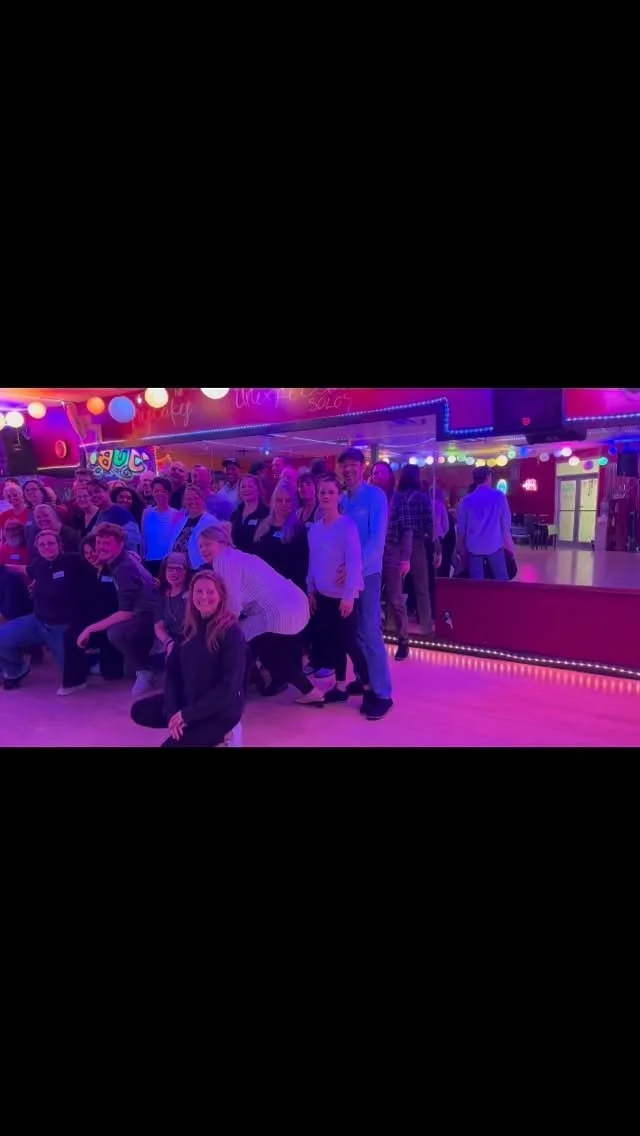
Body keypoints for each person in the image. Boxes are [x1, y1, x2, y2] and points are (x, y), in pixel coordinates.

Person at [196, 523, 324, 704]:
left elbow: (233, 604)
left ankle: (231, 691)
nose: (203, 549)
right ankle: (307, 690)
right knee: (267, 651)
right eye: (200, 546)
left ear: (222, 542)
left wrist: (219, 628)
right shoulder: (236, 555)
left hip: (278, 611)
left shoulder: (224, 560)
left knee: (245, 643)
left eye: (207, 544)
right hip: (292, 602)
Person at [130, 570, 249, 748]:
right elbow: (173, 672)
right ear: (191, 595)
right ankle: (193, 728)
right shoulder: (188, 628)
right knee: (139, 711)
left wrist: (187, 715)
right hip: (190, 699)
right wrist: (172, 712)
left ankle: (224, 732)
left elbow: (228, 687)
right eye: (199, 591)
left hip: (219, 710)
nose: (204, 597)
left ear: (221, 596)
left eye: (210, 591)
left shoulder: (232, 632)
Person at [0, 529, 97, 691]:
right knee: (1, 638)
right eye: (42, 545)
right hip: (37, 621)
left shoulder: (74, 560)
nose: (47, 547)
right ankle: (15, 671)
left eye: (51, 543)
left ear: (60, 545)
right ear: (37, 548)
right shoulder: (39, 564)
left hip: (63, 626)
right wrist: (3, 566)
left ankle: (91, 659)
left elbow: (95, 567)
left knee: (72, 677)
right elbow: (26, 570)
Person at [338, 448, 393, 720]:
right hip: (345, 577)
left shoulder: (375, 496)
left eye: (353, 465)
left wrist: (354, 568)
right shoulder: (341, 500)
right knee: (355, 632)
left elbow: (376, 541)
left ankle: (383, 693)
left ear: (363, 467)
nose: (348, 470)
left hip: (367, 574)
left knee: (370, 631)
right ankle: (365, 679)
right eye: (344, 466)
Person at [76, 523, 157, 696]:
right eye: (99, 542)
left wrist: (89, 629)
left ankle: (144, 670)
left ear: (120, 543)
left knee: (115, 632)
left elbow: (126, 612)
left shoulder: (123, 568)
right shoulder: (120, 559)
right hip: (142, 611)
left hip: (147, 615)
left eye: (107, 543)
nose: (101, 547)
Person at [307, 474, 366, 704]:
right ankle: (340, 685)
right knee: (336, 642)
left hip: (344, 596)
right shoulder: (314, 529)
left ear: (338, 496)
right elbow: (313, 562)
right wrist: (311, 589)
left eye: (331, 492)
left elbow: (354, 561)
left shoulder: (346, 526)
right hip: (324, 595)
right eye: (322, 492)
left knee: (349, 642)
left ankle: (369, 684)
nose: (326, 496)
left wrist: (349, 595)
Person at [383, 464, 434, 659]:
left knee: (394, 590)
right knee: (422, 587)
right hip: (417, 543)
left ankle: (391, 625)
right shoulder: (422, 497)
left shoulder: (396, 497)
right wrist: (432, 541)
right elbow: (429, 522)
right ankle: (426, 626)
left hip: (395, 545)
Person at [456, 466, 516, 580]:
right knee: (501, 579)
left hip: (473, 545)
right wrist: (509, 544)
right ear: (488, 477)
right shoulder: (499, 497)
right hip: (494, 543)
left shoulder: (467, 500)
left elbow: (462, 526)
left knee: (476, 582)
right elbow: (505, 523)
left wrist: (460, 546)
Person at [253, 481, 309, 593]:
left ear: (293, 503)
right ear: (273, 501)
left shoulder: (298, 530)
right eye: (279, 500)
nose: (284, 504)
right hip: (263, 587)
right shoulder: (263, 526)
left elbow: (301, 567)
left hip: (287, 589)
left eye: (288, 501)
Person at [170, 485, 219, 569]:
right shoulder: (181, 522)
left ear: (202, 499)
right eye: (189, 499)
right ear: (184, 502)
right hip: (180, 569)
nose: (193, 501)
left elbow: (215, 548)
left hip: (199, 569)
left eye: (196, 498)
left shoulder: (211, 521)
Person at [141, 476, 181, 576]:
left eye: (164, 491)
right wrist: (142, 558)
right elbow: (143, 537)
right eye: (156, 491)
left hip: (168, 562)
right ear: (152, 492)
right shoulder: (146, 512)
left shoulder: (177, 514)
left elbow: (177, 540)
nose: (160, 494)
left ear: (169, 493)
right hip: (149, 560)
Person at [88, 479, 142, 553]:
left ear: (107, 491)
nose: (94, 495)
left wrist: (114, 530)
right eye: (90, 494)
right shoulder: (100, 512)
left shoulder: (121, 512)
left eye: (97, 491)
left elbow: (135, 539)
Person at [154, 552, 191, 654]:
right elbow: (158, 626)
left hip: (189, 643)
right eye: (170, 569)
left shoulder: (193, 595)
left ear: (186, 572)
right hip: (168, 642)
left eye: (179, 569)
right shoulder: (161, 594)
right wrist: (168, 642)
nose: (174, 573)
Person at [230, 475, 269, 552]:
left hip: (258, 557)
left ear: (258, 489)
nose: (246, 489)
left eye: (250, 486)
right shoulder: (236, 512)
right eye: (243, 487)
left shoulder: (266, 513)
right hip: (237, 557)